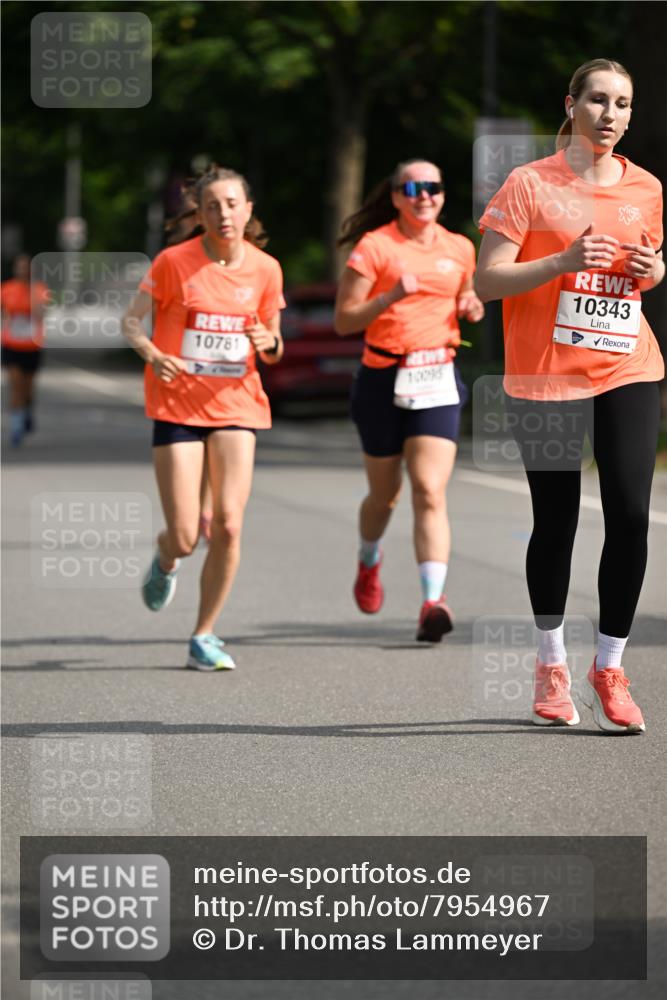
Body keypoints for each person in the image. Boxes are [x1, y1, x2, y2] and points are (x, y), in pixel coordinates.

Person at [475, 59, 664, 733]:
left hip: (627, 365)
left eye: (622, 103)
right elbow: (487, 281)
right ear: (571, 105)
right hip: (546, 374)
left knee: (629, 516)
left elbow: (644, 267)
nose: (609, 114)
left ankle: (608, 667)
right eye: (597, 100)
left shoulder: (645, 188)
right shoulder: (529, 184)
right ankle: (551, 664)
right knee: (556, 521)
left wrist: (654, 269)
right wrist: (557, 262)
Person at [122, 165, 285, 671]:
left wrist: (269, 343)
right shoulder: (174, 262)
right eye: (212, 206)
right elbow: (130, 322)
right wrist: (152, 353)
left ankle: (204, 634)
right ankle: (166, 558)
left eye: (232, 204)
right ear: (200, 213)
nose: (223, 214)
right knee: (187, 534)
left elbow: (275, 346)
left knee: (231, 526)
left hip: (238, 405)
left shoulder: (266, 269)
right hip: (177, 406)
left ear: (248, 210)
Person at [334, 159, 484, 641]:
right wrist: (389, 296)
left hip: (436, 377)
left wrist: (472, 305)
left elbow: (471, 300)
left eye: (434, 186)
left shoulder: (460, 248)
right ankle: (368, 557)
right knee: (385, 496)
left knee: (429, 489)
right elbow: (343, 321)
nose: (425, 194)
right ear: (396, 196)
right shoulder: (375, 246)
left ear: (443, 194)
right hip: (381, 379)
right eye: (413, 187)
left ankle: (432, 602)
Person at [1, 254, 50, 447]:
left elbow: (43, 313)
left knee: (28, 389)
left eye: (26, 268)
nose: (23, 271)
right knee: (15, 386)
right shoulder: (6, 289)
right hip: (11, 344)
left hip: (32, 346)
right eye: (20, 267)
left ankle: (27, 411)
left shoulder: (39, 289)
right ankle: (16, 427)